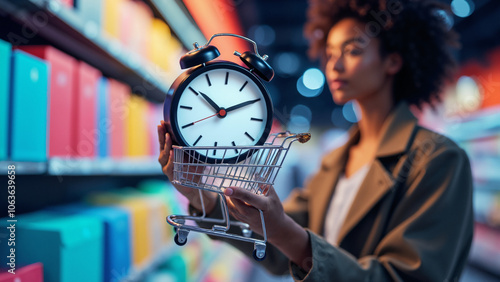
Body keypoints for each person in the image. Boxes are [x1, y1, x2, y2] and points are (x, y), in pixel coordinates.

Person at [157, 0, 474, 280]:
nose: (334, 65)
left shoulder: (438, 160)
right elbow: (278, 251)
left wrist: (285, 231)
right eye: (331, 52)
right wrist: (203, 198)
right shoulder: (336, 161)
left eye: (352, 50)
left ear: (393, 61)